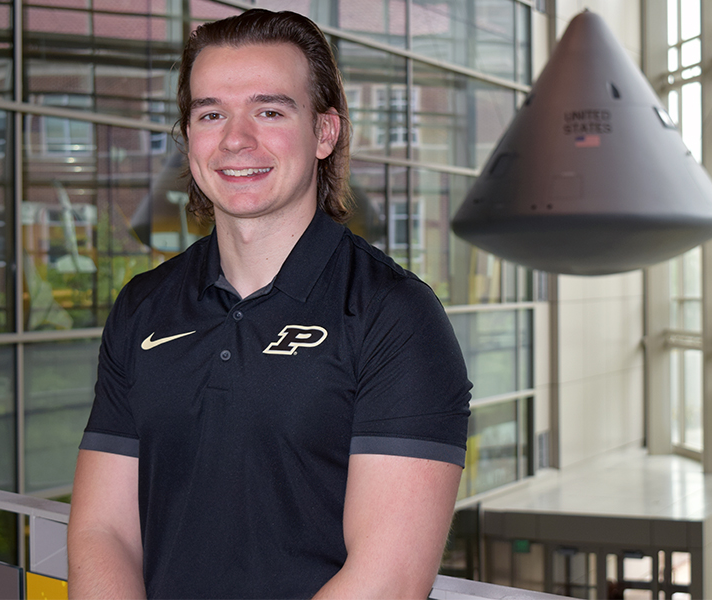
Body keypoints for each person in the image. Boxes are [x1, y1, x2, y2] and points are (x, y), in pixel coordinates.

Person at [66, 8, 472, 600]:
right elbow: (104, 533)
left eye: (269, 111)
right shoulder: (143, 307)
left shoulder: (394, 315)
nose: (236, 140)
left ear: (324, 133)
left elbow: (389, 578)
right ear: (189, 136)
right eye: (211, 114)